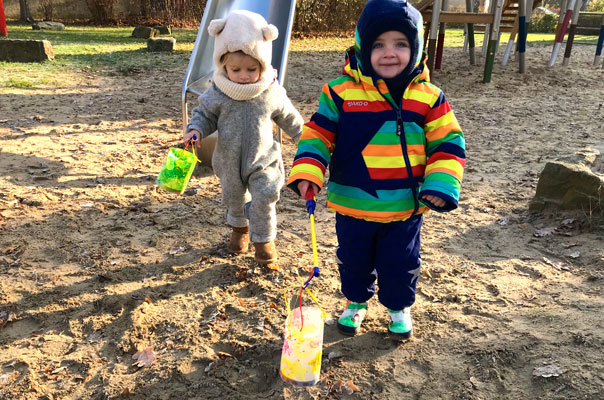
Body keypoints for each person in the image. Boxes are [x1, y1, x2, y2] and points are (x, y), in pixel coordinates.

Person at [286, 0, 466, 340]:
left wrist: (441, 182)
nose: (389, 53)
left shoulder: (429, 97)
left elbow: (448, 143)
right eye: (378, 44)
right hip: (353, 205)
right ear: (361, 47)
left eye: (401, 44)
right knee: (353, 260)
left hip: (404, 207)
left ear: (416, 49)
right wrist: (309, 170)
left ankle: (398, 308)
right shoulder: (340, 93)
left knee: (400, 264)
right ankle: (355, 302)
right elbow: (318, 134)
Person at [185, 10, 304, 264]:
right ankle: (240, 229)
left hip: (263, 159)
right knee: (234, 198)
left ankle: (264, 239)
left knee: (265, 196)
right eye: (235, 69)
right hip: (229, 159)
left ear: (263, 64)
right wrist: (195, 130)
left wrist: (304, 137)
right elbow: (204, 115)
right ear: (223, 65)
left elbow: (289, 116)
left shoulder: (270, 91)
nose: (243, 75)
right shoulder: (218, 91)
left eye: (252, 68)